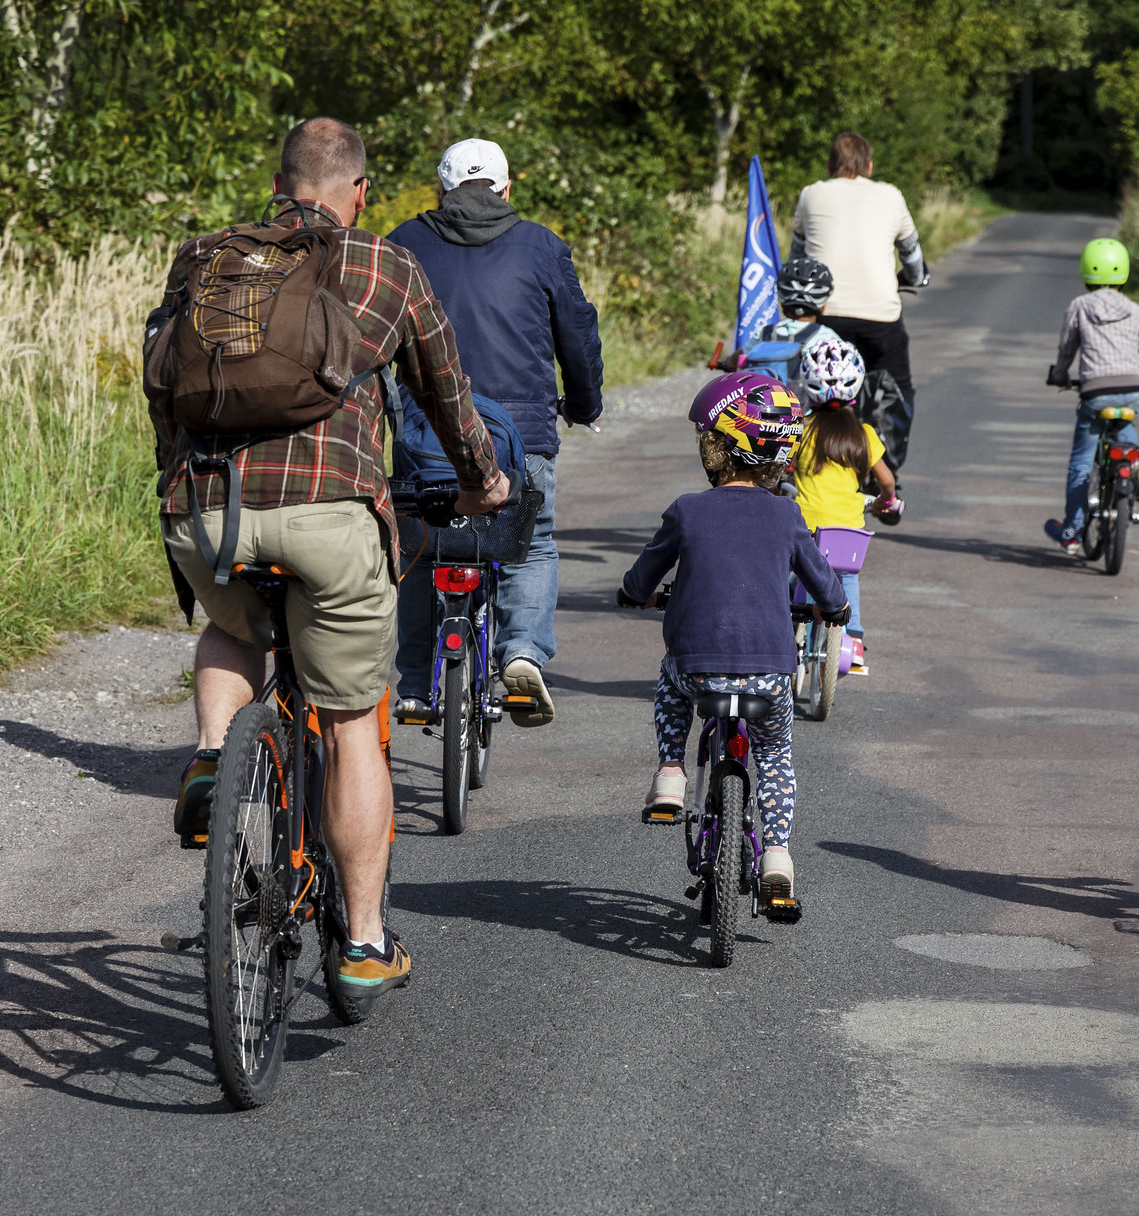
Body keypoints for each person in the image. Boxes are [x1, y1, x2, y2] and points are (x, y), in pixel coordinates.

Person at [159, 117, 508, 1003]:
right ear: (359, 192)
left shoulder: (208, 257)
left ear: (277, 182)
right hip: (331, 520)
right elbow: (446, 391)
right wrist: (483, 482)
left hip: (211, 511)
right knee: (354, 723)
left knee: (234, 626)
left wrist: (182, 482)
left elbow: (163, 375)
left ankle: (211, 755)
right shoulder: (387, 266)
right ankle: (360, 940)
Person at [386, 137, 604, 728]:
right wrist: (583, 404)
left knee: (420, 549)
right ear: (508, 189)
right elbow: (577, 337)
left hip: (426, 436)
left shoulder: (404, 244)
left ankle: (411, 683)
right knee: (531, 543)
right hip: (522, 437)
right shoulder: (541, 246)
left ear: (443, 189)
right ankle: (524, 654)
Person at [620, 372, 848, 897]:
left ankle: (672, 773)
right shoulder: (788, 514)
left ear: (719, 446)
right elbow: (829, 591)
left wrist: (634, 594)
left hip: (697, 668)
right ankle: (776, 857)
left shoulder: (686, 509)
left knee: (670, 680)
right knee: (774, 756)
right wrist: (833, 608)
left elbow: (641, 578)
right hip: (770, 674)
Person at [790, 132, 927, 478]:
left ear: (831, 165)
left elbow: (797, 256)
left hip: (825, 313)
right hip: (878, 315)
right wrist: (916, 276)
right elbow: (911, 252)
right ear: (869, 165)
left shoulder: (811, 194)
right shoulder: (891, 195)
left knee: (807, 380)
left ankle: (795, 460)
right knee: (898, 385)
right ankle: (890, 467)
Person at [1044, 237, 1139, 555]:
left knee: (1081, 463)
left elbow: (1067, 349)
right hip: (1131, 392)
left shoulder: (1079, 307)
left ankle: (1072, 530)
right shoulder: (1136, 311)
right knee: (1125, 429)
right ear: (1124, 272)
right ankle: (1137, 465)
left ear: (1086, 272)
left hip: (1095, 393)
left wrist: (1059, 375)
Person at [789, 339, 898, 677]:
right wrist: (887, 502)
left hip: (806, 527)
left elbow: (783, 468)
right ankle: (855, 639)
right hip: (846, 531)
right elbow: (888, 481)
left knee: (788, 571)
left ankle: (781, 629)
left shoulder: (802, 431)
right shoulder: (864, 434)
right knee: (847, 575)